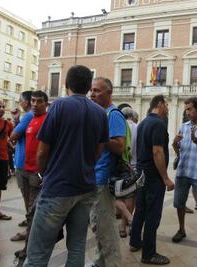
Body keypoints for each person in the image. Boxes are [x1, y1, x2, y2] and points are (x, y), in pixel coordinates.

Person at [24, 65, 109, 267]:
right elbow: (98, 152)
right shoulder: (100, 113)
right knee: (77, 246)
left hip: (58, 188)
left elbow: (42, 150)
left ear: (65, 84)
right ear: (89, 87)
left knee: (37, 254)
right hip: (86, 187)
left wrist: (45, 173)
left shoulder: (59, 106)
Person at [129, 95, 174, 265]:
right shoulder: (158, 124)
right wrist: (165, 178)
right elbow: (157, 151)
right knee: (152, 214)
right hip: (153, 176)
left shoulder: (143, 123)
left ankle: (134, 242)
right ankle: (148, 254)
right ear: (160, 104)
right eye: (167, 104)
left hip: (141, 173)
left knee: (140, 208)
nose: (168, 108)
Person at [90, 77, 125, 267]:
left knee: (106, 227)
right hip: (94, 177)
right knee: (98, 224)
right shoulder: (100, 114)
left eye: (97, 90)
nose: (92, 94)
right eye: (91, 90)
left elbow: (120, 146)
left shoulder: (113, 114)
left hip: (103, 178)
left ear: (109, 92)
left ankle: (112, 263)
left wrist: (98, 136)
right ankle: (99, 261)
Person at [13, 90, 48, 262]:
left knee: (33, 213)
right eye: (33, 101)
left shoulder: (47, 120)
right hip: (25, 170)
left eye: (39, 101)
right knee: (29, 211)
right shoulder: (32, 119)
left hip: (37, 173)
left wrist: (42, 172)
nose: (34, 104)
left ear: (45, 103)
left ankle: (29, 250)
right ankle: (29, 247)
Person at [171, 97, 197, 243]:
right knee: (179, 203)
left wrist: (196, 140)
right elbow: (179, 151)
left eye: (189, 109)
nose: (187, 112)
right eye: (185, 109)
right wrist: (175, 144)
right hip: (182, 171)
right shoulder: (184, 126)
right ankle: (181, 229)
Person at [10, 91, 34, 242]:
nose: (20, 103)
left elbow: (13, 136)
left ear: (27, 102)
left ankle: (30, 227)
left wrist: (17, 124)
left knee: (28, 197)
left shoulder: (29, 116)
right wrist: (17, 120)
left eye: (21, 101)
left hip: (24, 163)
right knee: (29, 197)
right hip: (26, 162)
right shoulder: (30, 117)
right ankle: (29, 220)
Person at [117, 106, 139, 237]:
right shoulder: (138, 127)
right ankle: (129, 225)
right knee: (131, 197)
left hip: (121, 165)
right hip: (135, 165)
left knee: (119, 196)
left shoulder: (121, 127)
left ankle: (122, 227)